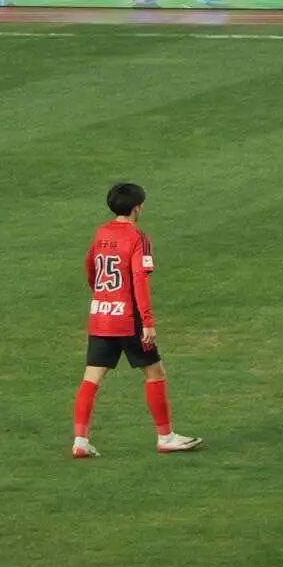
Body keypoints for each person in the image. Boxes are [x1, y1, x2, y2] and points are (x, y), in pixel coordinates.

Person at [73, 179, 197, 457]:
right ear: (137, 208)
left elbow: (90, 267)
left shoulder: (101, 232)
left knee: (91, 377)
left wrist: (102, 296)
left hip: (101, 316)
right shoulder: (138, 238)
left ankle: (80, 441)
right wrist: (148, 323)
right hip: (129, 319)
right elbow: (140, 280)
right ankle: (166, 437)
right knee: (155, 373)